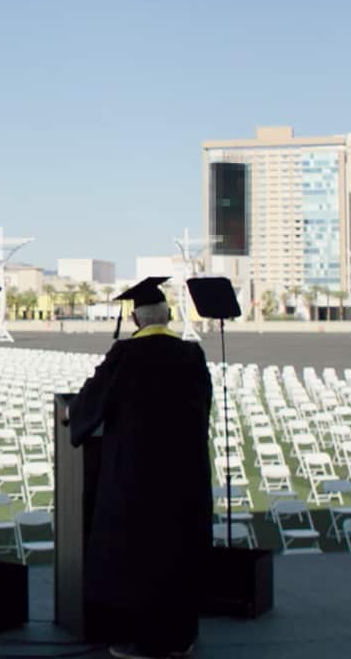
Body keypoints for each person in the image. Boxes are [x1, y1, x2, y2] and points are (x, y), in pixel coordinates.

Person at [68, 282, 213, 659]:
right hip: (183, 475)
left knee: (140, 555)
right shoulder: (191, 354)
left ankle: (145, 642)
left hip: (137, 476)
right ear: (168, 316)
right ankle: (181, 637)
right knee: (177, 551)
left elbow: (89, 404)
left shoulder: (125, 354)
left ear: (134, 318)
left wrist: (76, 418)